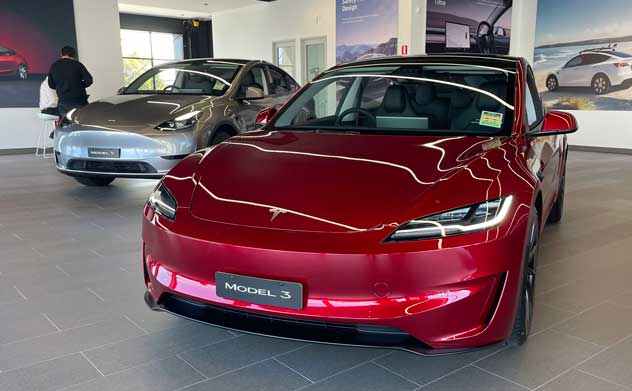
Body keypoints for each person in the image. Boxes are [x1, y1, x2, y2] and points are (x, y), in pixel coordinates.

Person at [47, 46, 93, 117]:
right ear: (74, 55)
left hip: (63, 101)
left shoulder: (54, 66)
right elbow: (89, 80)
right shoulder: (77, 64)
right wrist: (80, 85)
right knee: (81, 123)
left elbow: (51, 84)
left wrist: (60, 87)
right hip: (79, 101)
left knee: (66, 124)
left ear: (61, 54)